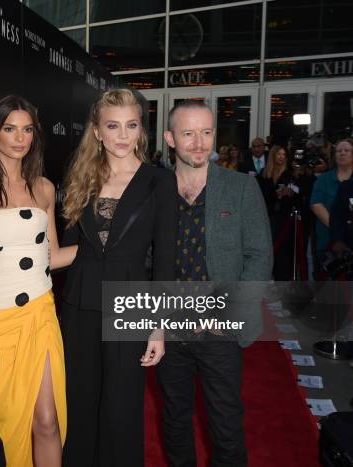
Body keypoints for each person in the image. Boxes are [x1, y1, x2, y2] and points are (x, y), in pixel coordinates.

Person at [60, 88, 178, 467]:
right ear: (97, 131)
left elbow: (165, 260)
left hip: (131, 305)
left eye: (131, 125)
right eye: (113, 126)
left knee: (121, 408)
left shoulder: (159, 181)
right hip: (80, 303)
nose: (123, 135)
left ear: (141, 130)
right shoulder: (80, 178)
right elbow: (67, 249)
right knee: (79, 402)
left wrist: (158, 327)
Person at [158, 99, 272, 466]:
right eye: (188, 133)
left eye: (206, 132)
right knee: (174, 417)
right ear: (170, 138)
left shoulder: (241, 188)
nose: (198, 143)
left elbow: (260, 256)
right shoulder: (153, 189)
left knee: (225, 421)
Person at [0, 95, 77, 466]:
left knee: (48, 421)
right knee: (6, 425)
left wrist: (100, 247)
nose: (20, 138)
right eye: (10, 128)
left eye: (27, 129)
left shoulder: (44, 188)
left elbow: (53, 256)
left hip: (40, 315)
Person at [310, 138, 353, 268]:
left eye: (347, 150)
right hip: (327, 241)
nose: (342, 153)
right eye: (339, 151)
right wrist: (339, 229)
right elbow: (316, 205)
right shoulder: (324, 179)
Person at [258, 145, 297, 279]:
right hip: (267, 215)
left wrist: (288, 194)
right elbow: (261, 195)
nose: (281, 157)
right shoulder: (264, 173)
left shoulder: (290, 173)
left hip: (285, 217)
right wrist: (276, 196)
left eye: (284, 155)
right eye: (278, 154)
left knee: (282, 250)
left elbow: (297, 193)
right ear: (273, 156)